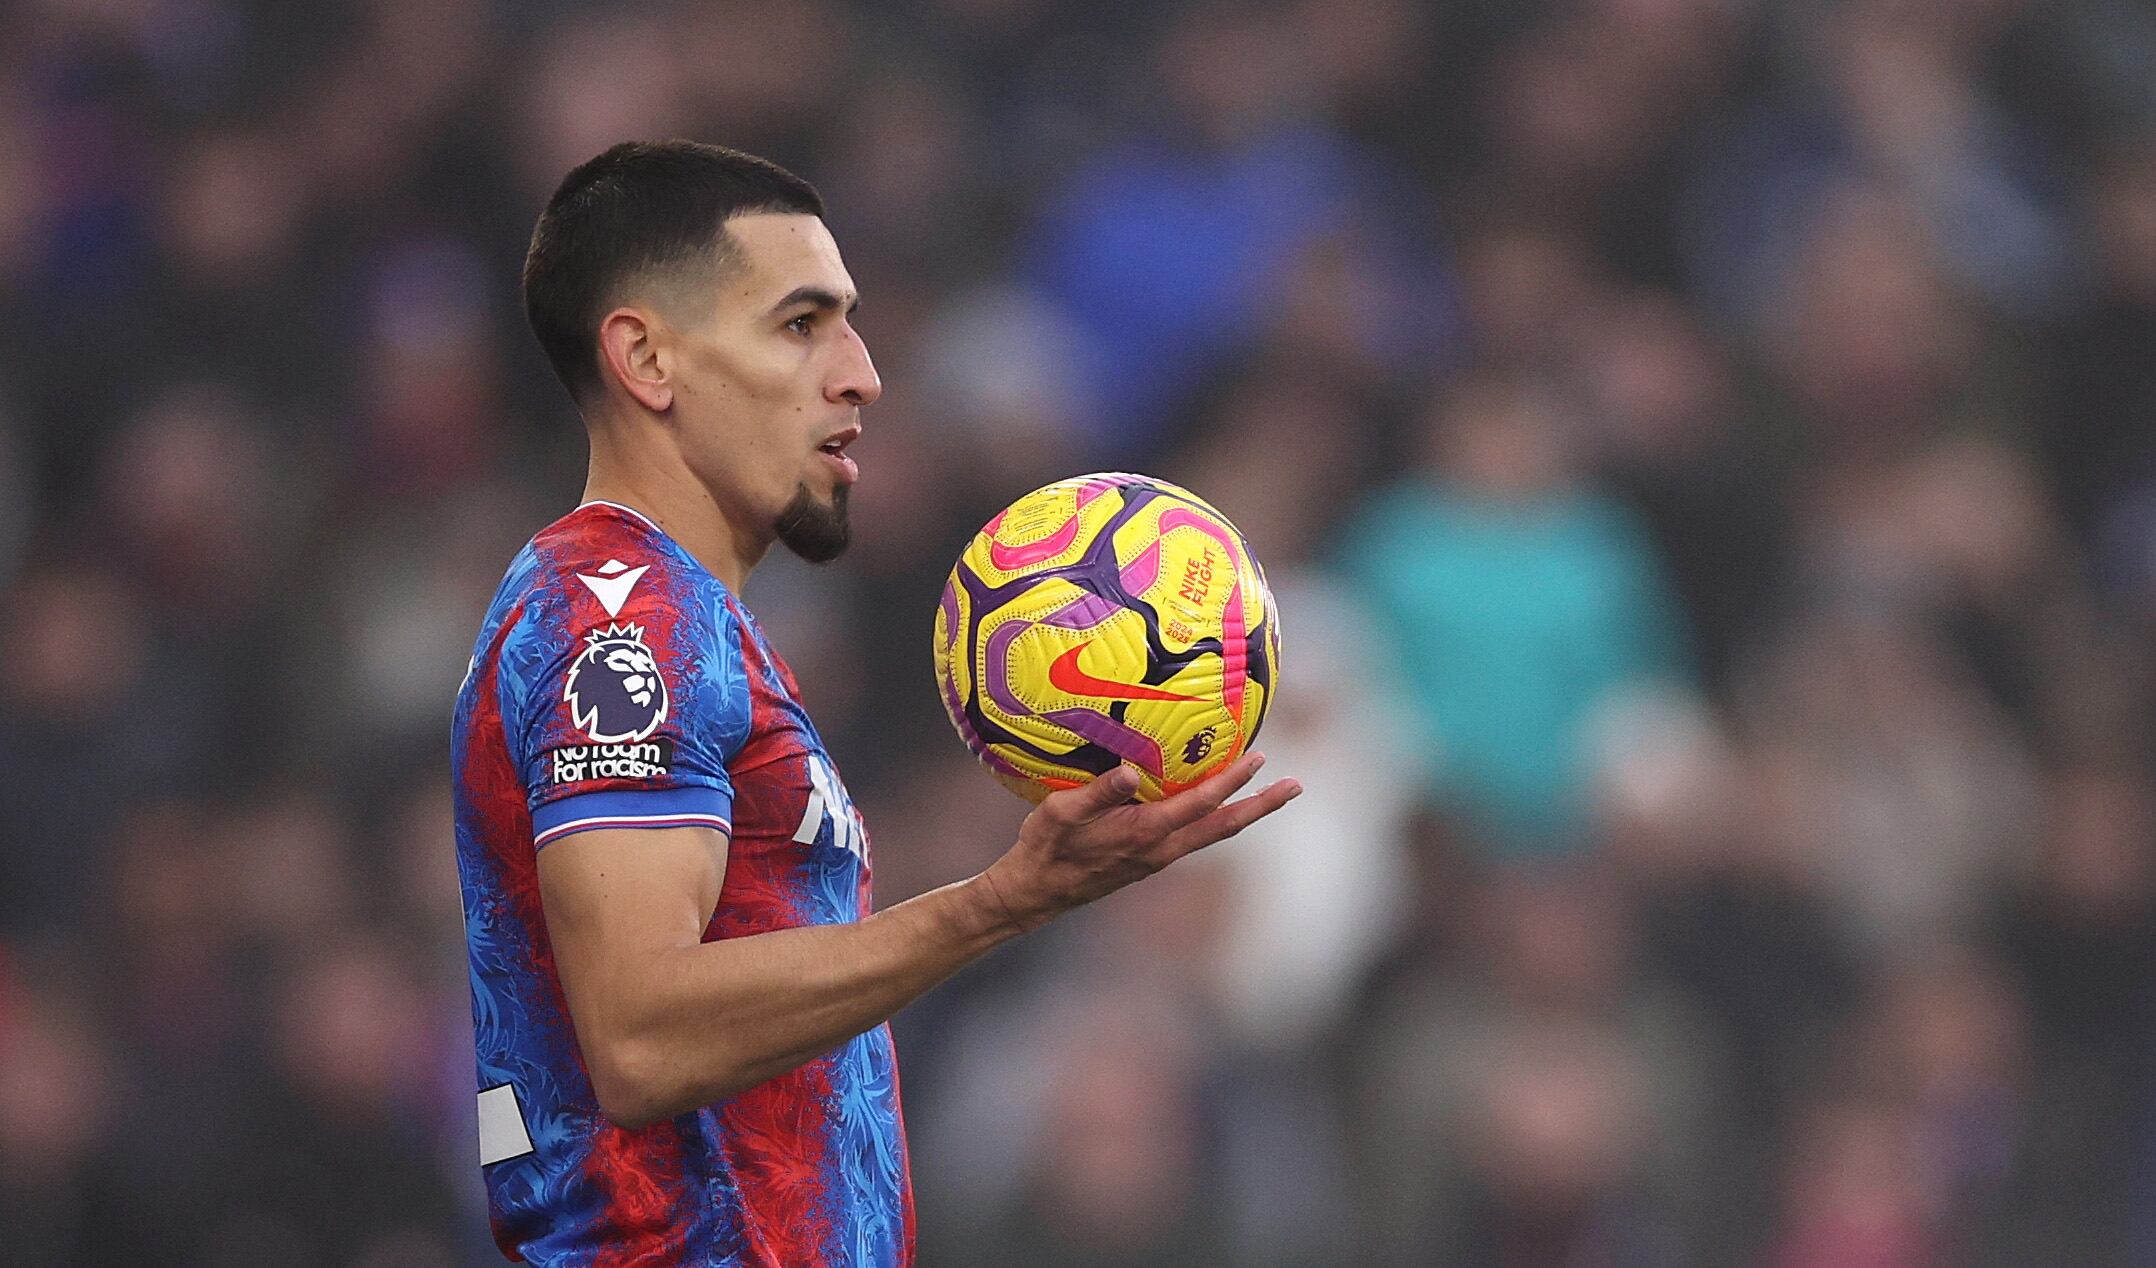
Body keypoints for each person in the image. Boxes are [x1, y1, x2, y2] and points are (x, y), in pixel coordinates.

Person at [449, 139, 1301, 1267]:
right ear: (647, 358)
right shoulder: (617, 617)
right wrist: (996, 902)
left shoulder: (688, 619)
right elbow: (643, 1035)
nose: (860, 373)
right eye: (799, 324)